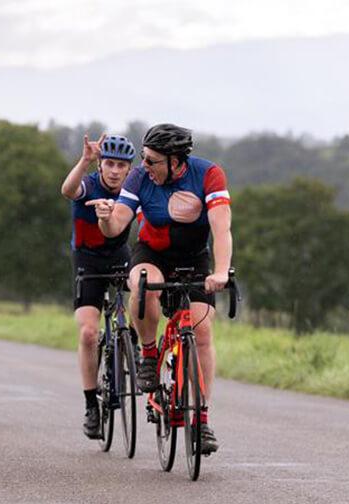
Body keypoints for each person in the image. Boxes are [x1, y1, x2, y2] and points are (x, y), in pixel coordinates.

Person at [90, 124, 232, 454]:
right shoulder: (140, 178)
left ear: (175, 161)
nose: (144, 166)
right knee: (142, 283)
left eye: (152, 160)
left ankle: (202, 420)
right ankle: (150, 354)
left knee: (203, 332)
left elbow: (222, 229)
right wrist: (104, 217)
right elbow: (116, 227)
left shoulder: (208, 174)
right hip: (151, 252)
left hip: (194, 258)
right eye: (143, 158)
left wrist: (221, 272)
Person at [60, 133, 137, 439]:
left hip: (120, 256)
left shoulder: (133, 191)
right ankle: (92, 404)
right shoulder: (89, 184)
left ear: (129, 169)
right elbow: (67, 190)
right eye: (109, 163)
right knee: (89, 332)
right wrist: (85, 160)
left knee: (142, 293)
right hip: (87, 260)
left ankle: (131, 341)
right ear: (101, 164)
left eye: (121, 165)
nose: (115, 170)